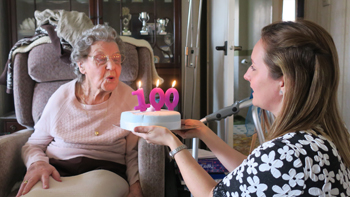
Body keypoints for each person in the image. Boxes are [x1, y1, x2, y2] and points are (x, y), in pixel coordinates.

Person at [131, 20, 350, 196]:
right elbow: (255, 174)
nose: (247, 76)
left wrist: (173, 143)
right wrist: (204, 133)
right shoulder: (326, 136)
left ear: (283, 80)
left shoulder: (287, 152)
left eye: (253, 67)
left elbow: (212, 195)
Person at [17, 25, 143, 197]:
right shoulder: (61, 96)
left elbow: (134, 152)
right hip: (57, 172)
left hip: (105, 172)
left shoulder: (130, 98)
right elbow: (33, 144)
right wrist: (38, 163)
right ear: (81, 65)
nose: (111, 66)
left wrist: (136, 187)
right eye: (101, 58)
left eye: (116, 58)